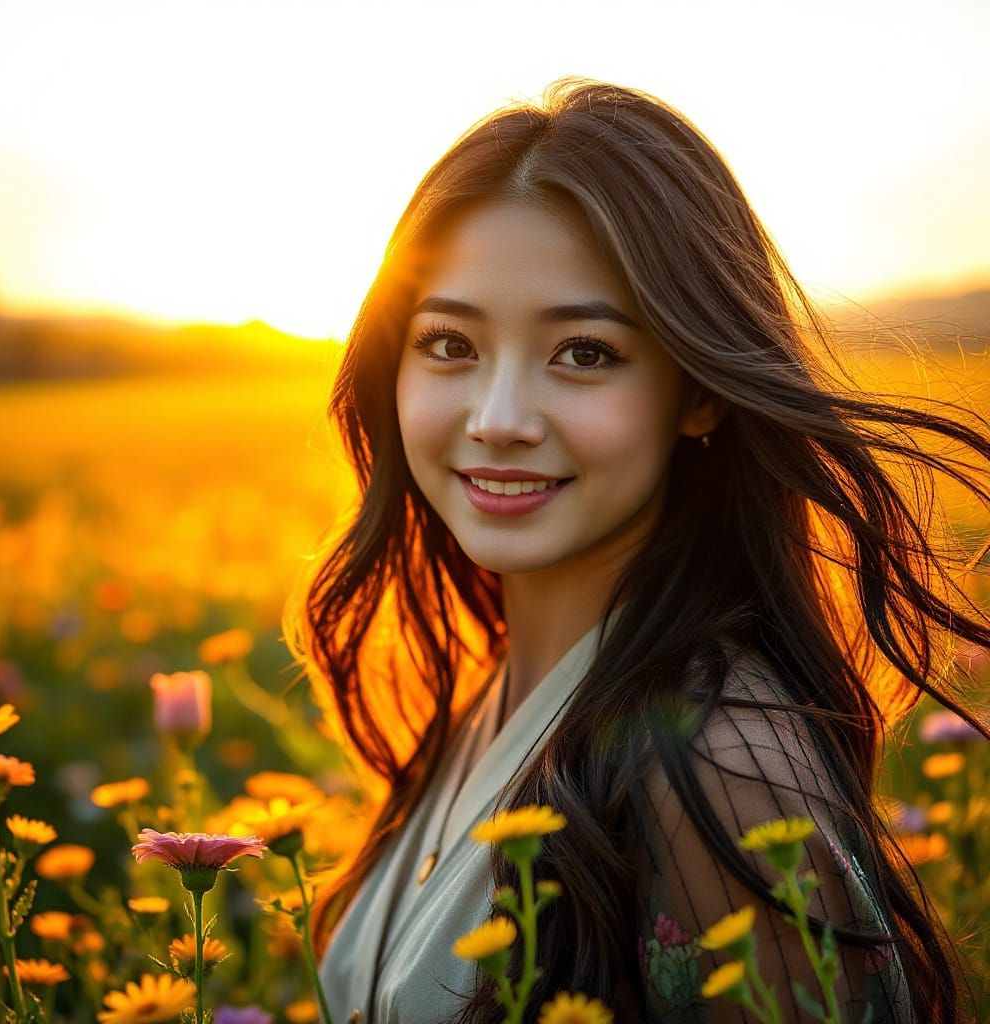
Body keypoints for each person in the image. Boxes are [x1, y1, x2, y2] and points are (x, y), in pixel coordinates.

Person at [282, 76, 990, 1023]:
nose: (497, 421)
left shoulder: (722, 773)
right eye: (449, 342)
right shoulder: (496, 688)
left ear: (698, 392)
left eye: (583, 353)